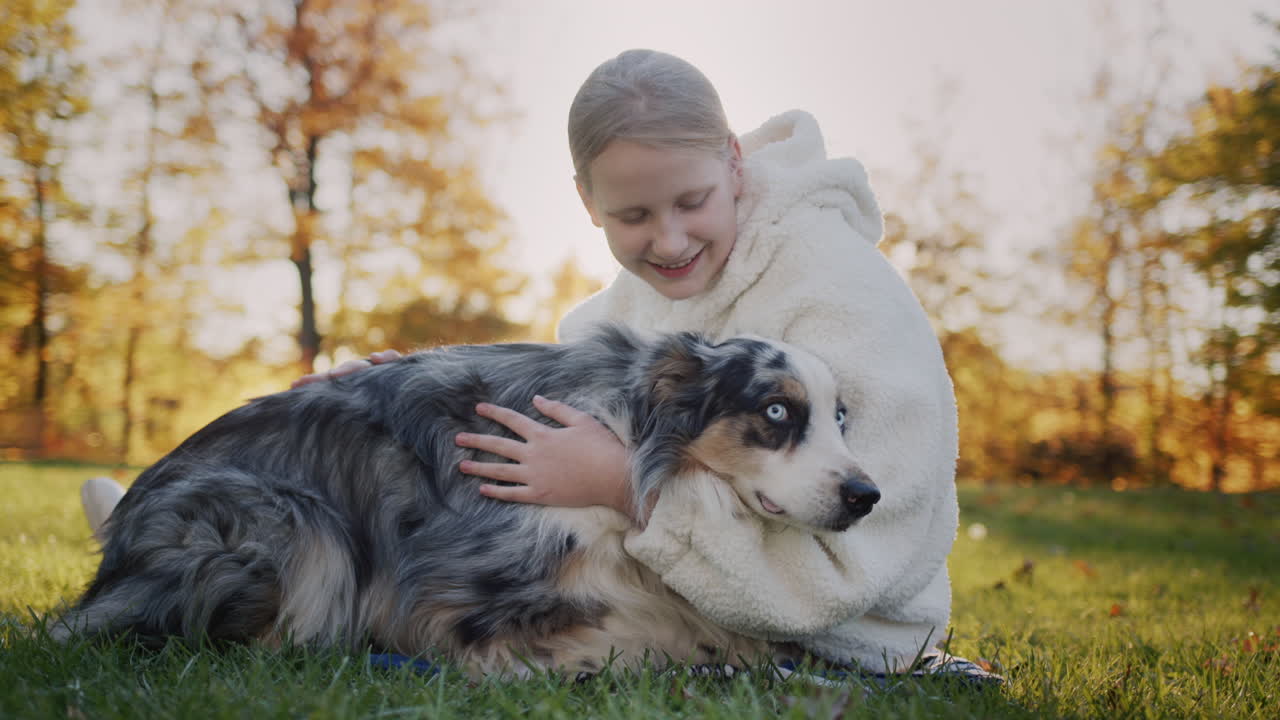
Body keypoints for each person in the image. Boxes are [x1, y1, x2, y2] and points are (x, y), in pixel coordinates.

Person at [85, 49, 994, 682]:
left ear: (733, 161)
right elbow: (541, 398)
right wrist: (403, 384)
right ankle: (164, 550)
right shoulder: (623, 312)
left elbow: (866, 552)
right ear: (588, 204)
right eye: (635, 217)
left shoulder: (847, 296)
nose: (668, 240)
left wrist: (623, 484)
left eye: (691, 201)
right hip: (700, 599)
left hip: (844, 633)